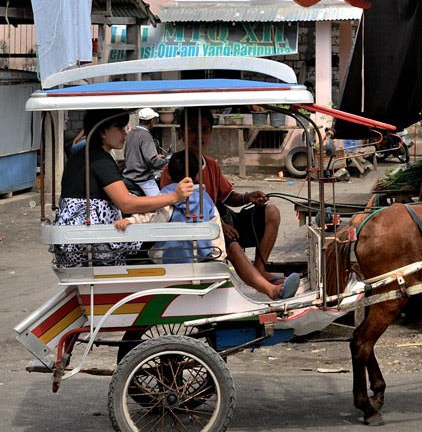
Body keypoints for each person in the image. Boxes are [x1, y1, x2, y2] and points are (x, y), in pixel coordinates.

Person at [116, 151, 299, 301]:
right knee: (225, 243)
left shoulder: (166, 196)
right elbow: (216, 229)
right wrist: (219, 260)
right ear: (197, 175)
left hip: (167, 259)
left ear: (169, 175)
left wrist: (130, 221)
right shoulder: (205, 199)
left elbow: (150, 218)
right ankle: (269, 288)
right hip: (201, 257)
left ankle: (262, 276)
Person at [160, 106, 285, 284]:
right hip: (201, 229)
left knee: (271, 212)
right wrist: (218, 224)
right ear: (182, 133)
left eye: (205, 130)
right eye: (193, 130)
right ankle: (265, 286)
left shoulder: (211, 164)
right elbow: (174, 211)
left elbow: (227, 197)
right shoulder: (172, 170)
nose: (200, 136)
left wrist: (248, 197)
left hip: (223, 219)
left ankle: (260, 269)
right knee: (229, 243)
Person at [54, 109, 194, 268]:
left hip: (76, 239)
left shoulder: (84, 154)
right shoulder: (99, 159)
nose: (125, 134)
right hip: (89, 244)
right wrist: (174, 197)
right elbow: (125, 203)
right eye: (119, 129)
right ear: (102, 132)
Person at [123, 108, 167, 195]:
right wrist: (166, 162)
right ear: (152, 121)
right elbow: (152, 161)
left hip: (128, 176)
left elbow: (133, 154)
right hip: (142, 178)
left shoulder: (131, 133)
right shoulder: (146, 136)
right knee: (160, 205)